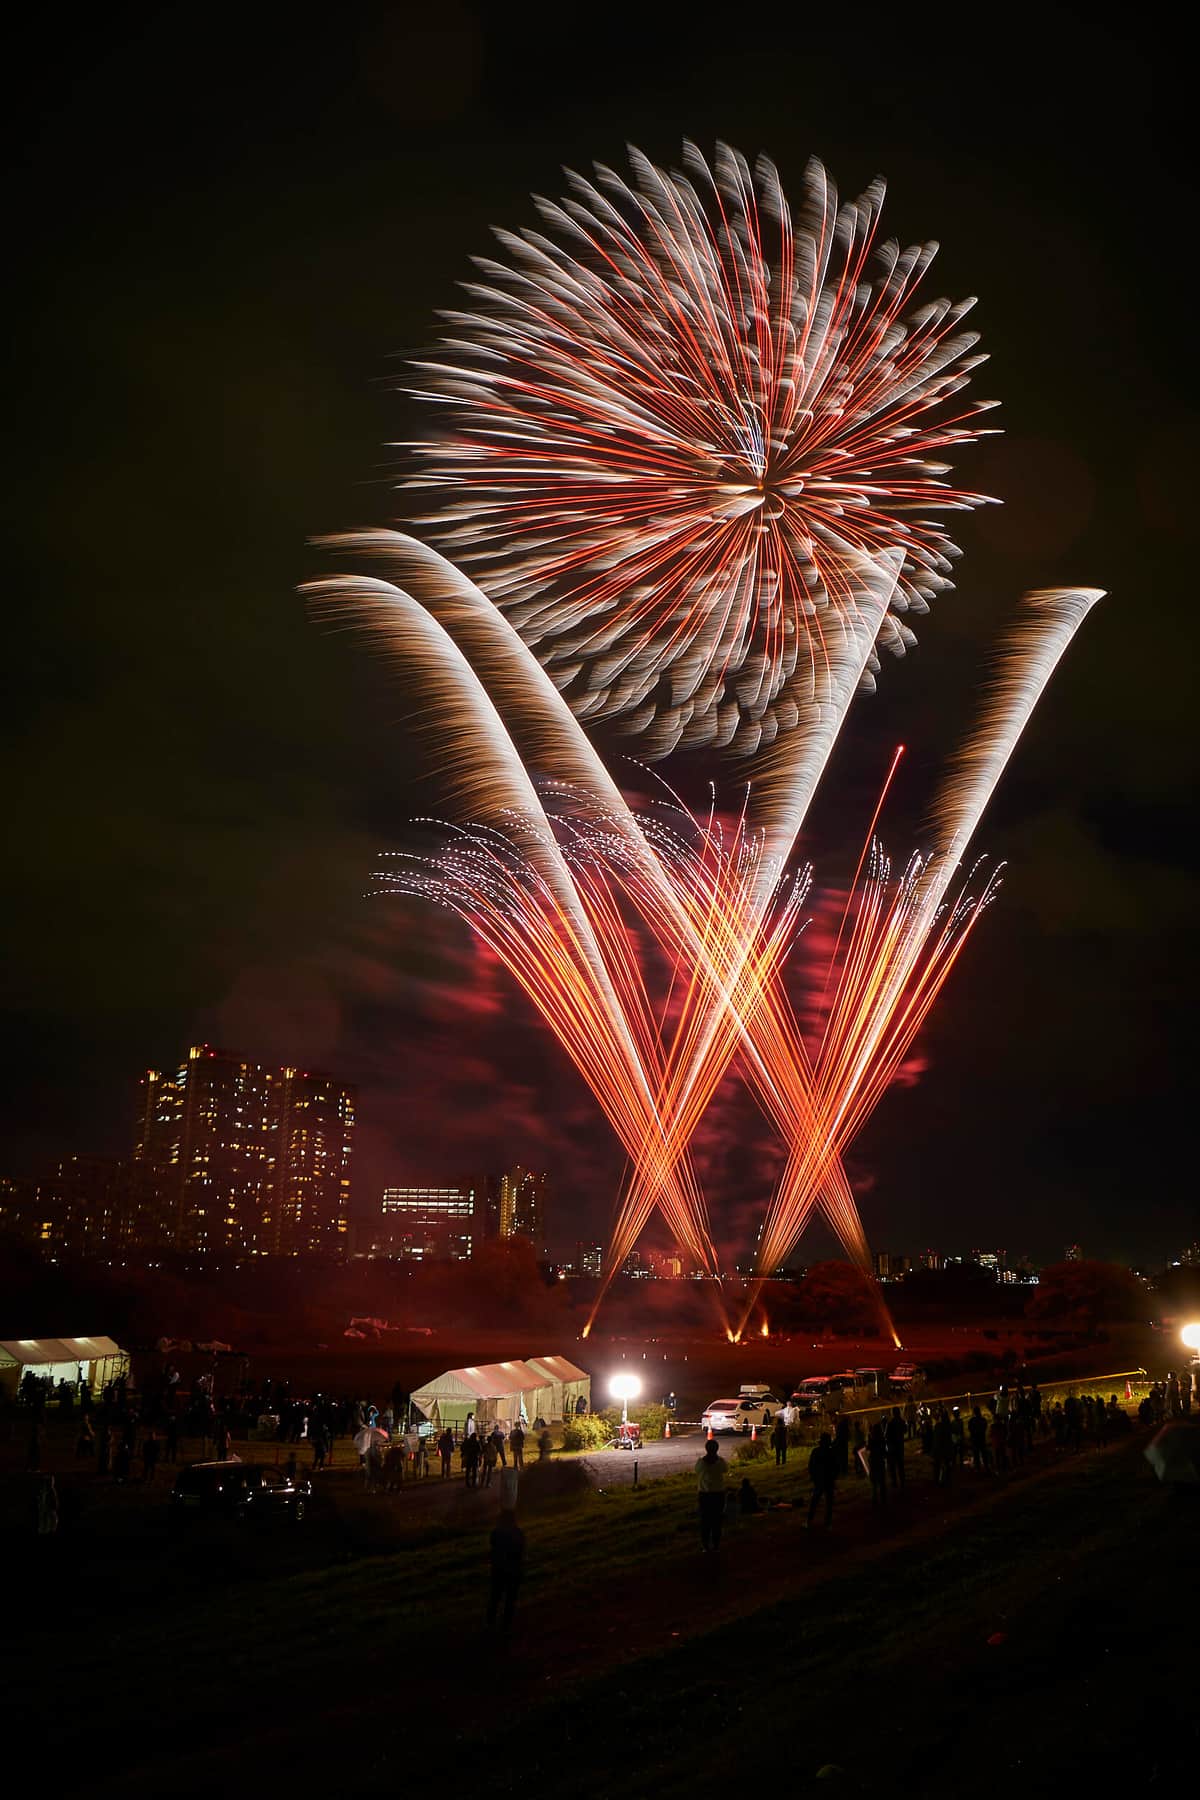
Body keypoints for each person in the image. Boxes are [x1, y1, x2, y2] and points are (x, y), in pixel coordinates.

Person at [487, 1508, 525, 1634]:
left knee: (495, 1597)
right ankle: (506, 1625)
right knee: (510, 1599)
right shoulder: (518, 1533)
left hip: (498, 1570)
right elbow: (520, 1552)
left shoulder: (496, 1533)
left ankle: (490, 1623)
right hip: (513, 1571)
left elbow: (493, 1549)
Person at [694, 1438, 727, 1552]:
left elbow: (696, 1471)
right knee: (717, 1520)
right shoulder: (721, 1462)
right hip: (718, 1494)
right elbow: (725, 1470)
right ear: (717, 1449)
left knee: (705, 1520)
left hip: (704, 1495)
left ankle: (705, 1545)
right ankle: (716, 1545)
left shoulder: (701, 1462)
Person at [807, 1431, 836, 1529]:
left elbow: (811, 1466)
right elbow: (835, 1466)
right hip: (828, 1480)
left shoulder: (816, 1451)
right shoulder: (831, 1452)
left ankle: (809, 1521)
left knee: (815, 1501)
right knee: (828, 1502)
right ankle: (828, 1523)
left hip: (820, 1480)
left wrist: (813, 1477)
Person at [884, 1407, 906, 1489]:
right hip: (900, 1446)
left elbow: (886, 1435)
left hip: (892, 1448)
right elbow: (905, 1430)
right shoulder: (901, 1422)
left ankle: (895, 1483)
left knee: (893, 1466)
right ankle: (902, 1482)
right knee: (900, 1465)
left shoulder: (890, 1423)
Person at [867, 1421, 887, 1505]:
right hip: (880, 1461)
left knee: (874, 1482)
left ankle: (875, 1498)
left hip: (874, 1461)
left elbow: (869, 1448)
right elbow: (885, 1452)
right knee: (882, 1481)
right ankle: (883, 1499)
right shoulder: (882, 1440)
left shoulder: (872, 1440)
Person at [968, 1405, 989, 1472]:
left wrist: (973, 1435)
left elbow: (970, 1429)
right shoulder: (983, 1420)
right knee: (983, 1453)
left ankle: (978, 1468)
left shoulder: (972, 1420)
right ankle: (986, 1467)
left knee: (976, 1454)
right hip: (981, 1438)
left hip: (975, 1440)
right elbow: (985, 1427)